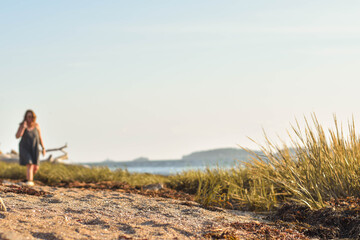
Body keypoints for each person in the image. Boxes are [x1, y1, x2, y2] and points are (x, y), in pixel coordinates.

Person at [15, 110, 46, 186]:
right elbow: (17, 136)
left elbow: (40, 138)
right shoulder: (22, 125)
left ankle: (27, 179)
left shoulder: (36, 126)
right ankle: (30, 181)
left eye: (32, 117)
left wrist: (43, 148)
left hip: (34, 148)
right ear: (26, 117)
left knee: (35, 167)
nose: (30, 118)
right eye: (29, 116)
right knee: (29, 164)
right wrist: (23, 128)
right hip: (24, 147)